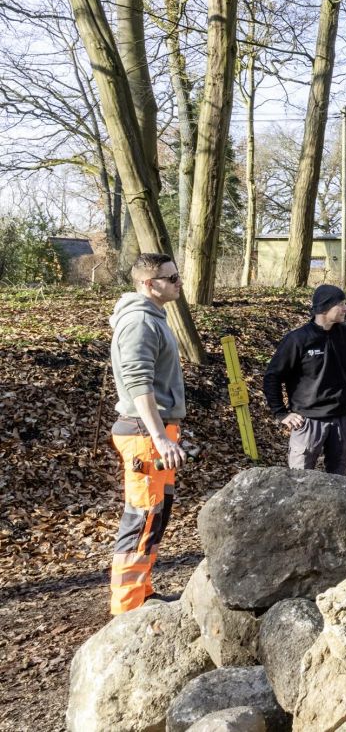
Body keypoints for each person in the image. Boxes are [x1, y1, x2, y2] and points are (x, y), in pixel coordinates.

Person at [108, 253, 189, 615]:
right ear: (148, 284)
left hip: (154, 430)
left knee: (155, 515)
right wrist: (159, 437)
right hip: (144, 433)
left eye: (177, 276)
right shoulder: (140, 322)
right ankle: (126, 609)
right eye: (171, 278)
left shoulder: (154, 317)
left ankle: (142, 594)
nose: (178, 283)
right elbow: (139, 385)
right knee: (142, 517)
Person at [263, 284, 346, 474]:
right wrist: (281, 413)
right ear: (325, 308)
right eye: (341, 304)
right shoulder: (298, 339)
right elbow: (272, 377)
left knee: (338, 480)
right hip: (307, 422)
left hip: (342, 419)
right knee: (298, 480)